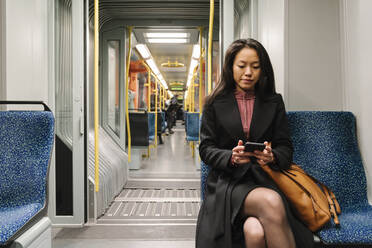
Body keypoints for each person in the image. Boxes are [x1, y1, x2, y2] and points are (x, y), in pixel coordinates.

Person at [196, 39, 314, 248]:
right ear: (230, 67)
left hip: (264, 178)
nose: (248, 72)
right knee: (271, 202)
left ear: (263, 70)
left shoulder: (274, 101)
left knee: (255, 232)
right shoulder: (214, 103)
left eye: (255, 66)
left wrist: (272, 156)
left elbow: (285, 147)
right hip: (227, 184)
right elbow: (206, 149)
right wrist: (230, 157)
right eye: (242, 66)